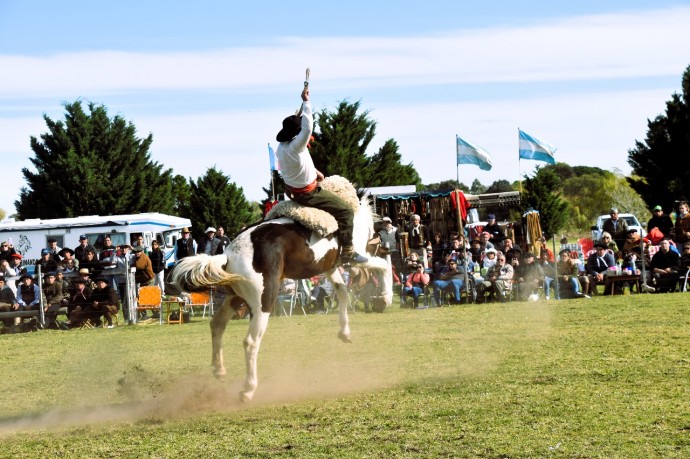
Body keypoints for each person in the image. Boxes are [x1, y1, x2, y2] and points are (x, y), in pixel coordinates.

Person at [276, 87, 367, 265]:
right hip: (309, 194)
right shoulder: (297, 145)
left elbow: (302, 158)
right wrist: (307, 101)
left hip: (292, 190)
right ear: (296, 133)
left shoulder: (282, 148)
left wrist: (315, 172)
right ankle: (348, 251)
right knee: (347, 211)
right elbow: (308, 126)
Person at [378, 216, 402, 284]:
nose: (386, 224)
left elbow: (398, 241)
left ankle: (397, 280)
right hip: (384, 251)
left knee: (395, 266)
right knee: (386, 266)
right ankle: (387, 280)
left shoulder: (395, 230)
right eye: (384, 223)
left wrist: (397, 250)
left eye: (387, 222)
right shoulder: (381, 231)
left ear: (390, 222)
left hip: (394, 250)